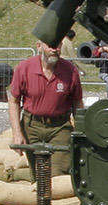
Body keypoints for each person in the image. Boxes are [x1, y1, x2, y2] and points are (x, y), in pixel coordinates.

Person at [7, 37, 83, 180]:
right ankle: (17, 178)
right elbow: (14, 101)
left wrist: (81, 130)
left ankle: (53, 193)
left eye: (57, 45)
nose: (54, 49)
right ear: (39, 46)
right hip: (32, 126)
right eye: (50, 45)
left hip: (60, 127)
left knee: (58, 172)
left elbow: (77, 101)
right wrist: (17, 133)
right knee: (38, 173)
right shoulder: (24, 68)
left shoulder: (70, 71)